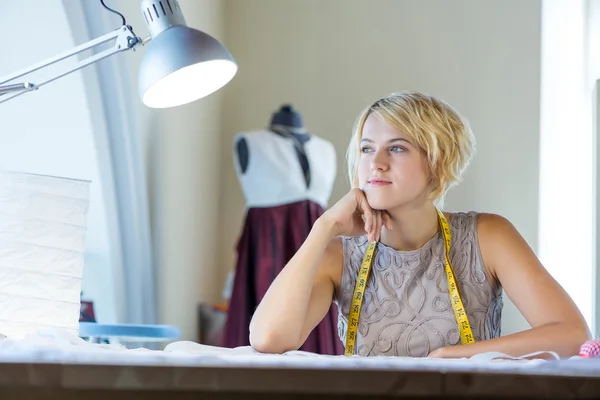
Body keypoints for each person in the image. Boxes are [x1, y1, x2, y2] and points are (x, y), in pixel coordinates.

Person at [248, 91, 591, 358]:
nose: (376, 164)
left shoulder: (488, 237)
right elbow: (269, 339)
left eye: (396, 148)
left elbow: (572, 334)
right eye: (367, 149)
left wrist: (454, 357)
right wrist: (322, 228)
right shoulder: (340, 255)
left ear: (439, 161)